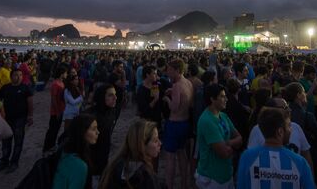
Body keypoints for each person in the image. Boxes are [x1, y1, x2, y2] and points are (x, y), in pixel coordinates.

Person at [237, 108, 315, 189]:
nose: (291, 130)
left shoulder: (247, 157)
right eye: (289, 126)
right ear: (280, 132)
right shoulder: (300, 162)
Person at [247, 98, 313, 174]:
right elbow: (251, 159)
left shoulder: (296, 127)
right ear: (272, 111)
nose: (289, 110)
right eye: (285, 108)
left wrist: (311, 178)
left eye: (288, 107)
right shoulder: (258, 129)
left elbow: (306, 155)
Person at [195, 83, 242, 189]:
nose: (226, 99)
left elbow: (240, 139)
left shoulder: (223, 116)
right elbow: (224, 153)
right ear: (212, 99)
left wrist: (229, 143)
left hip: (226, 174)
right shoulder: (207, 121)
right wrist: (233, 146)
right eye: (222, 96)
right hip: (212, 178)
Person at [98, 119, 162, 189]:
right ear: (142, 145)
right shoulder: (146, 176)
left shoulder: (112, 167)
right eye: (155, 140)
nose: (160, 143)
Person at [162, 58, 194, 189]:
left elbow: (174, 108)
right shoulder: (188, 83)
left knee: (170, 158)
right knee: (182, 155)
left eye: (169, 70)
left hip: (174, 123)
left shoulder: (176, 86)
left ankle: (169, 186)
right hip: (185, 122)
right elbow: (188, 102)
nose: (168, 72)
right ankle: (184, 184)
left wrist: (166, 99)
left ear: (176, 70)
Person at [0, 69, 34, 173]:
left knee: (18, 142)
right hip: (6, 118)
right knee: (6, 141)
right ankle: (4, 161)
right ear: (11, 76)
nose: (19, 77)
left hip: (20, 119)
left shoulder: (25, 88)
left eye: (21, 75)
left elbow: (30, 102)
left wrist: (30, 116)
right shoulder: (6, 87)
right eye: (16, 75)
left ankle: (14, 162)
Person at [52, 114, 99, 189]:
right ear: (82, 132)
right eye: (94, 129)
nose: (98, 132)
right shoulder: (79, 166)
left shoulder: (64, 149)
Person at [85, 83, 117, 181]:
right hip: (90, 162)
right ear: (101, 97)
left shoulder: (111, 111)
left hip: (104, 158)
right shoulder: (90, 115)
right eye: (110, 95)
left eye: (115, 94)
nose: (115, 97)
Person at [43, 65, 68, 153]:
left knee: (56, 129)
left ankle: (52, 145)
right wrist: (57, 111)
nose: (66, 74)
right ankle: (47, 147)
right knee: (52, 130)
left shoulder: (62, 82)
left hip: (61, 109)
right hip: (55, 111)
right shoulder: (55, 84)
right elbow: (53, 99)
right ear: (61, 74)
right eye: (65, 73)